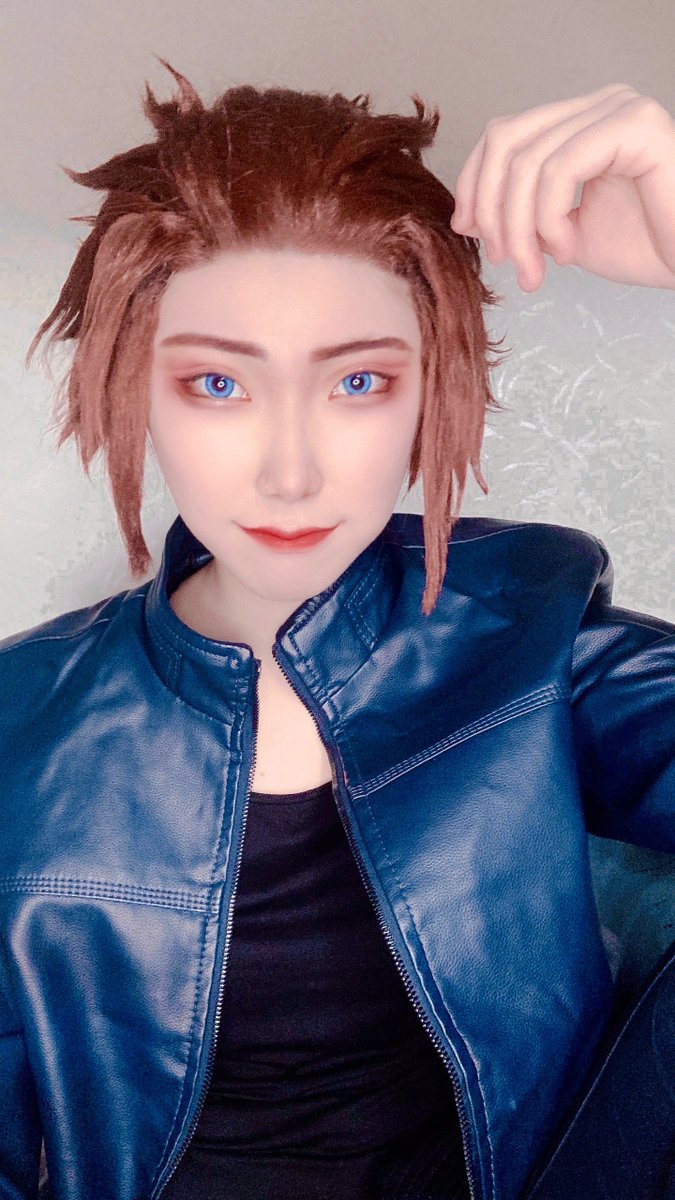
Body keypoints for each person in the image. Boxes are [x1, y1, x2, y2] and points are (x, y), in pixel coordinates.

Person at [0, 65, 673, 1200]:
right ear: (135, 388)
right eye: (218, 385)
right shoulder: (21, 722)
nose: (292, 468)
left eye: (359, 382)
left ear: (429, 389)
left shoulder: (529, 633)